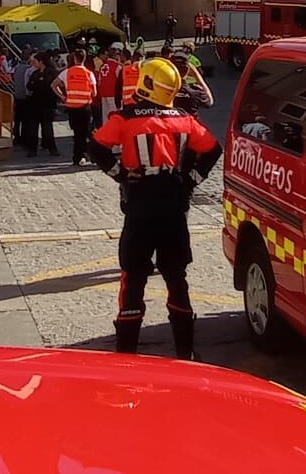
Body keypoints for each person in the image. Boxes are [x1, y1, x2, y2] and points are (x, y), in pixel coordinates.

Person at [88, 58, 220, 359]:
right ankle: (185, 354)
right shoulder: (185, 119)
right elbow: (213, 149)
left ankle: (127, 355)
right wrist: (191, 180)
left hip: (140, 204)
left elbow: (95, 147)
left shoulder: (125, 118)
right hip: (174, 206)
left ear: (145, 83)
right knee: (176, 277)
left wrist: (120, 173)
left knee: (133, 278)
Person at [54, 52, 99, 166]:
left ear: (74, 59)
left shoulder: (67, 72)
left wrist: (63, 97)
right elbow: (94, 93)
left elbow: (53, 85)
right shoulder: (89, 73)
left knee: (77, 133)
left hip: (72, 108)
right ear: (84, 59)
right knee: (87, 132)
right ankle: (87, 155)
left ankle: (77, 157)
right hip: (85, 108)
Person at [21, 53, 59, 157]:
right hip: (34, 104)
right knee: (33, 128)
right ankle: (32, 150)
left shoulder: (52, 72)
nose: (33, 64)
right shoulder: (35, 73)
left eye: (35, 61)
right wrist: (37, 83)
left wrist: (38, 83)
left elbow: (49, 85)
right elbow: (29, 85)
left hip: (48, 104)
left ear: (41, 62)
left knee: (47, 127)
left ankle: (52, 149)